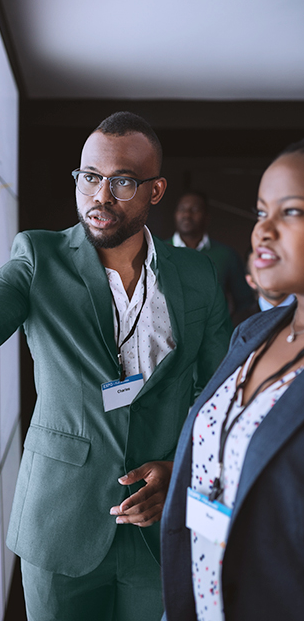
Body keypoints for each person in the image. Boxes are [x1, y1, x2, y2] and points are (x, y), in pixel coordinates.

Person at [0, 111, 232, 621]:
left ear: (156, 190)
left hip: (157, 526)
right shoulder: (39, 255)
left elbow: (219, 393)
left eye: (121, 182)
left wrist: (179, 470)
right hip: (61, 522)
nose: (99, 196)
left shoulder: (197, 273)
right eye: (89, 178)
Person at [161, 139, 304, 621]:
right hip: (196, 600)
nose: (263, 230)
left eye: (292, 212)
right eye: (262, 210)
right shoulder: (255, 331)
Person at [167, 191, 254, 323]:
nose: (187, 215)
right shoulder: (156, 251)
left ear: (207, 216)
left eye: (194, 209)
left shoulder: (226, 255)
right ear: (175, 214)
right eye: (182, 209)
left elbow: (245, 303)